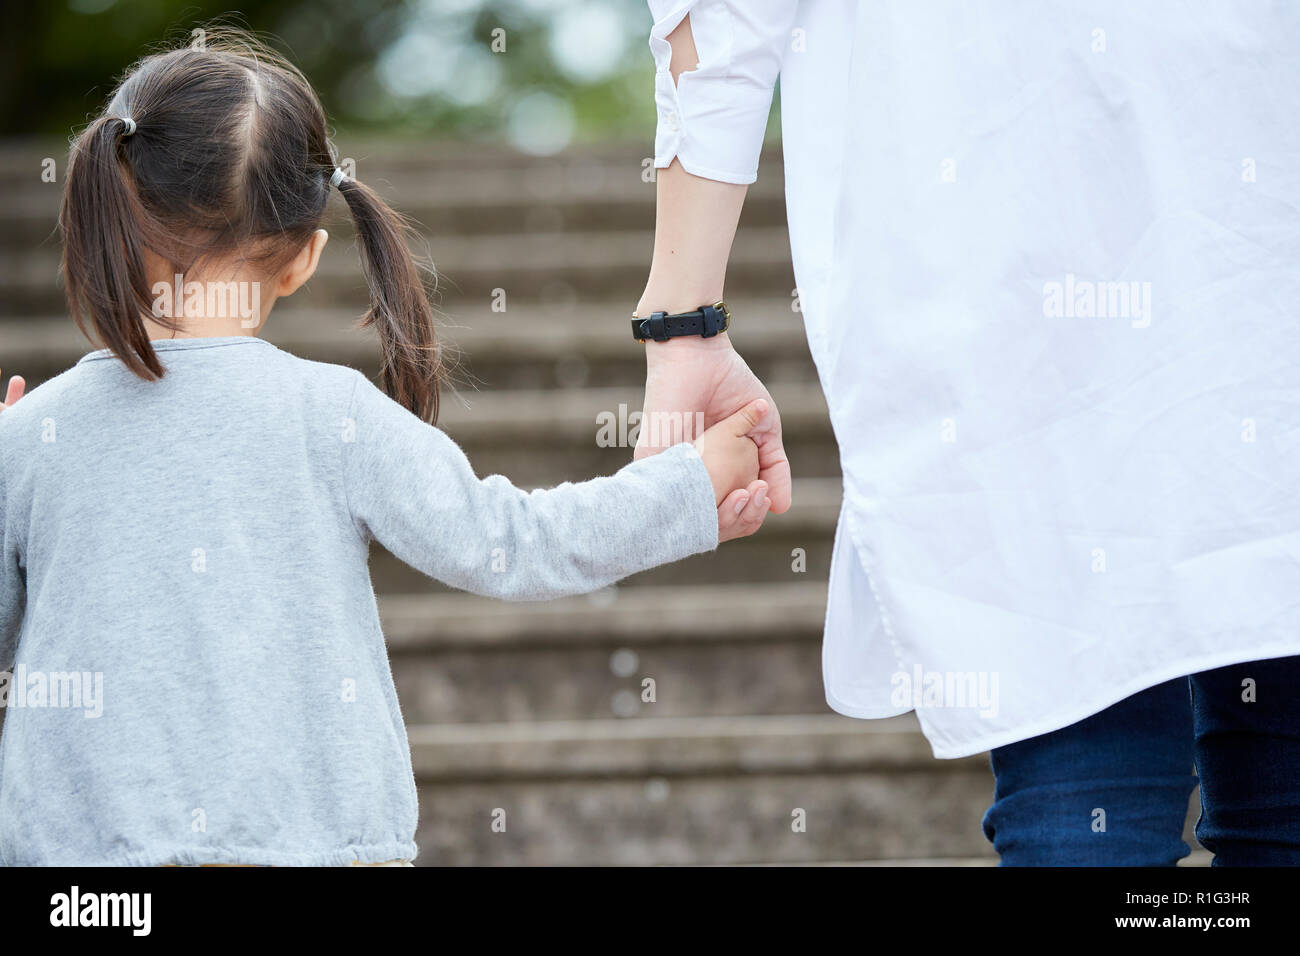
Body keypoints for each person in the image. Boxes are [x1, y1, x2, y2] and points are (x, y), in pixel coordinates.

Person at [0, 30, 771, 866]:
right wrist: (685, 487)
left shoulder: (36, 432)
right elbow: (512, 544)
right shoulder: (333, 413)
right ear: (304, 257)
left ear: (107, 215)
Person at [633, 1, 1300, 864]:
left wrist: (682, 323)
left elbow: (723, 17)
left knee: (1086, 765)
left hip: (1001, 239)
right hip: (1256, 222)